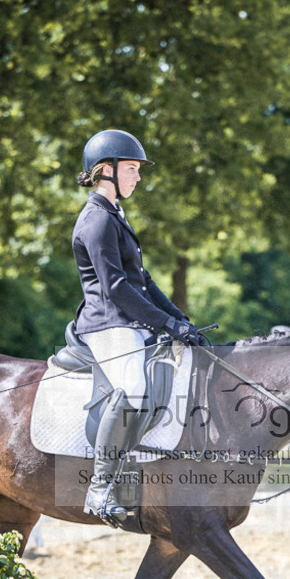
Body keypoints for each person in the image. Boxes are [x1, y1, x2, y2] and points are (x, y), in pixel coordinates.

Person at [72, 128, 202, 523]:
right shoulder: (96, 220)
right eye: (131, 169)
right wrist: (163, 322)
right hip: (107, 324)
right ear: (104, 171)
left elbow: (143, 282)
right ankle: (99, 490)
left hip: (128, 320)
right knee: (134, 388)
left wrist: (179, 320)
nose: (138, 177)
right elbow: (115, 288)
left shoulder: (116, 216)